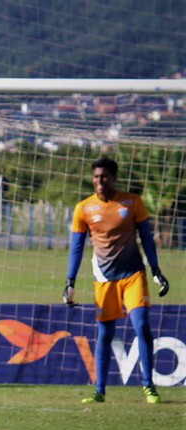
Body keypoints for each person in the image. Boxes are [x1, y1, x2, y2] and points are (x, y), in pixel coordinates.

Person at [63, 157, 170, 404]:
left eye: (104, 177)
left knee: (141, 325)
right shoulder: (83, 208)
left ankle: (149, 386)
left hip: (133, 274)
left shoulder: (133, 203)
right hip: (103, 278)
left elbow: (146, 238)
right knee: (105, 334)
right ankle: (99, 391)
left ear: (114, 178)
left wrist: (155, 270)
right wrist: (70, 281)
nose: (99, 181)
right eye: (96, 177)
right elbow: (76, 248)